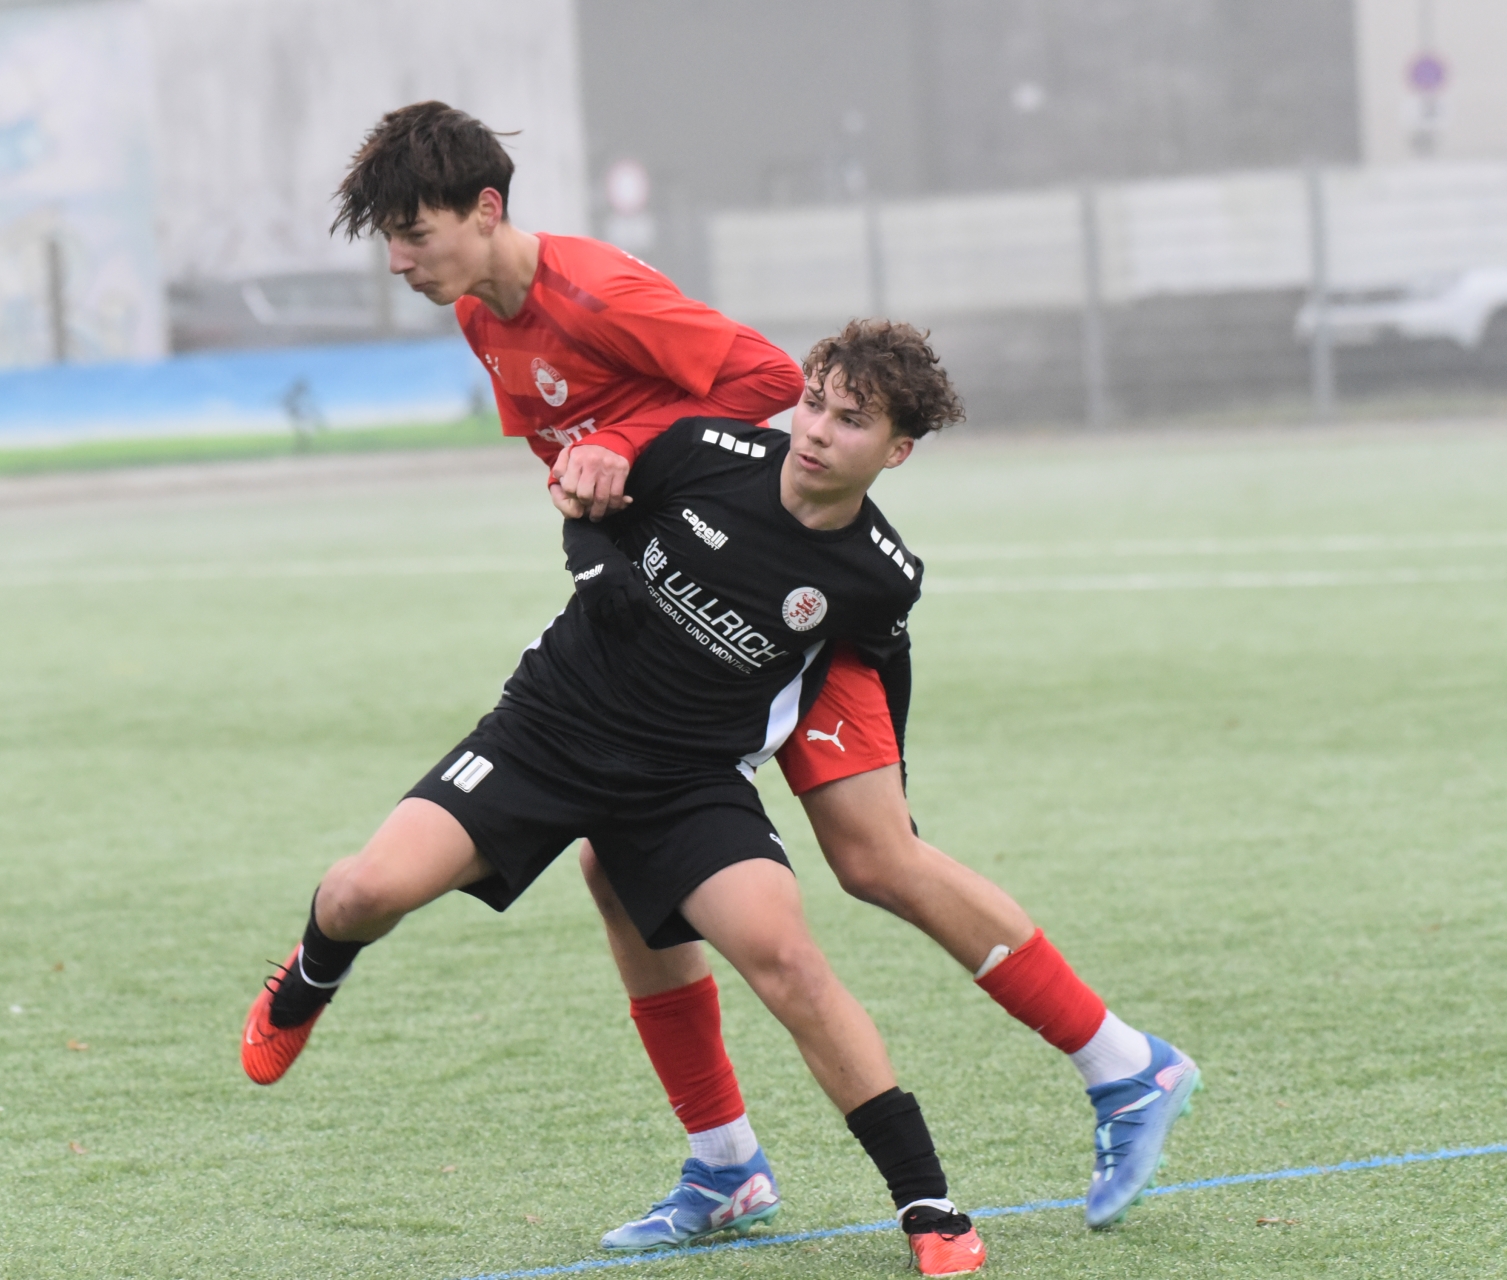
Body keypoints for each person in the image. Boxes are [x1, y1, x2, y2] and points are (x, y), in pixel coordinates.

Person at [273, 100, 1196, 1245]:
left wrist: (633, 449)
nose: (399, 259)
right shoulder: (480, 315)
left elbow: (763, 383)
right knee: (620, 864)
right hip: (695, 593)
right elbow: (582, 454)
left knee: (876, 857)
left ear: (487, 209)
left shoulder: (596, 291)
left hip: (789, 589)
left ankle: (1124, 1063)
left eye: (413, 232)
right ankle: (725, 1164)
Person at [240, 321, 990, 1276]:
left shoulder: (881, 575)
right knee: (361, 894)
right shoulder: (706, 450)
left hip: (687, 782)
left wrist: (893, 798)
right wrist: (598, 569)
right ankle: (311, 975)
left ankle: (929, 1205)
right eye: (813, 403)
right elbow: (583, 498)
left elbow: (880, 674)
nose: (815, 431)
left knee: (790, 962)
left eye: (850, 421)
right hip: (546, 734)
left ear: (897, 451)